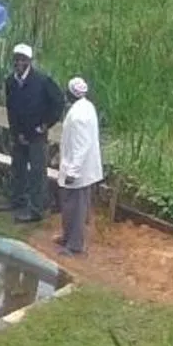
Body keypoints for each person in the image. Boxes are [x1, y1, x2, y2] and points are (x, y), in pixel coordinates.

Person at [1, 42, 64, 224]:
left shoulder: (42, 81)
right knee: (18, 168)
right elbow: (11, 108)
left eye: (22, 59)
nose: (19, 62)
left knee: (37, 171)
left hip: (36, 134)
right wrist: (16, 132)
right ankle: (17, 200)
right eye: (16, 59)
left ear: (29, 61)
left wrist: (46, 124)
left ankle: (37, 209)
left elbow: (58, 102)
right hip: (19, 133)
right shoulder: (11, 82)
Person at [56, 76, 102, 255]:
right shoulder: (85, 106)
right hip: (76, 166)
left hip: (79, 170)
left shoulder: (79, 115)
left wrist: (73, 171)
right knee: (69, 205)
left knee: (77, 208)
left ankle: (74, 245)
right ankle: (67, 237)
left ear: (70, 93)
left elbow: (81, 146)